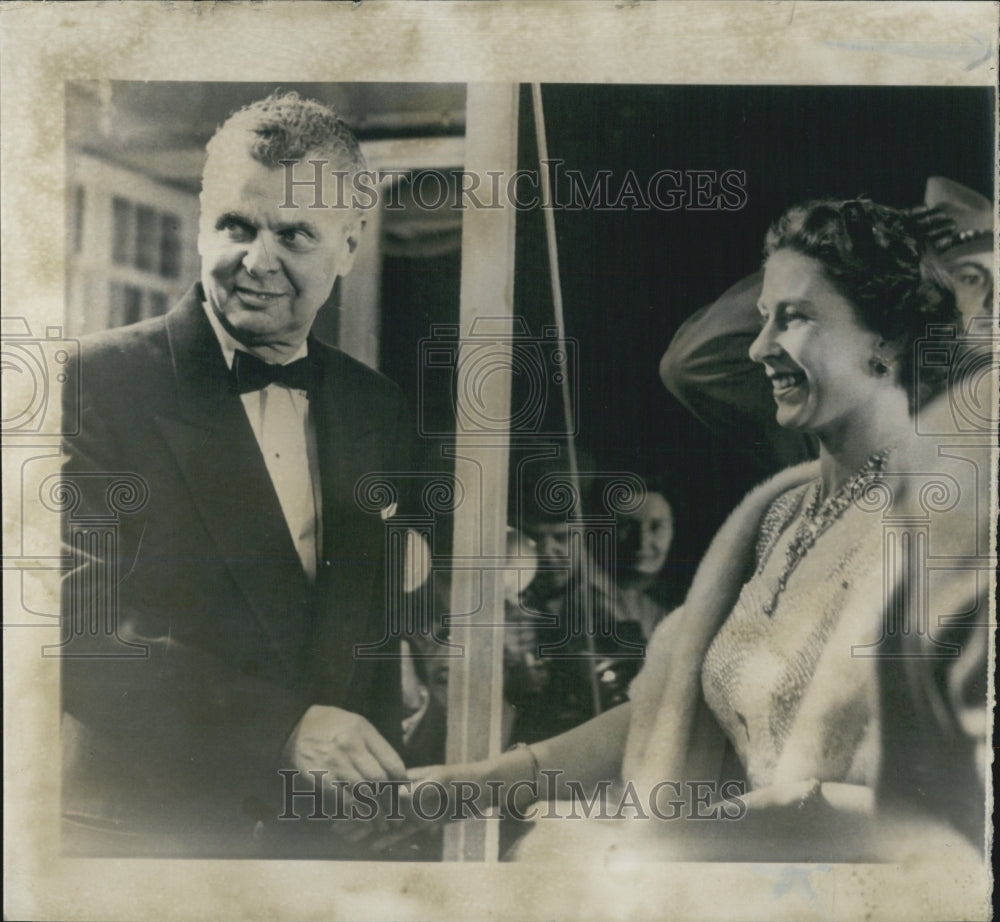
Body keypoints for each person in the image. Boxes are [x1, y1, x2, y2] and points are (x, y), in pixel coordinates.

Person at [405, 198, 989, 863]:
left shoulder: (950, 528)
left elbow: (944, 807)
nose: (758, 346)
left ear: (885, 337)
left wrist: (661, 850)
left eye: (793, 318)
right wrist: (469, 786)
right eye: (762, 315)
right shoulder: (773, 519)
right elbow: (669, 710)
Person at [58, 92, 416, 857]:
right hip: (143, 843)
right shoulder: (92, 382)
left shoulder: (374, 406)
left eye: (295, 234)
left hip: (317, 846)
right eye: (236, 226)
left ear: (348, 246)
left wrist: (382, 789)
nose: (257, 261)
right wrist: (280, 729)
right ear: (200, 224)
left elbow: (367, 625)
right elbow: (65, 635)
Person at [659, 177, 994, 478]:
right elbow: (692, 362)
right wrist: (826, 262)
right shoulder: (833, 404)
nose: (987, 308)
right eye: (967, 278)